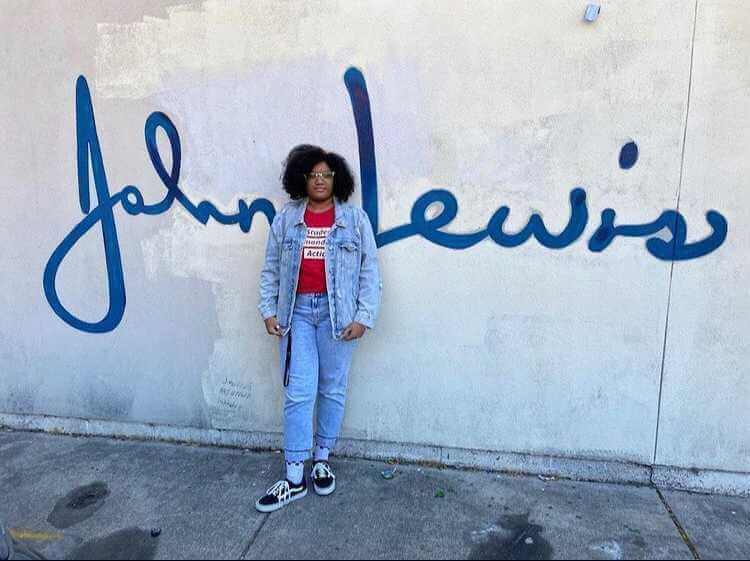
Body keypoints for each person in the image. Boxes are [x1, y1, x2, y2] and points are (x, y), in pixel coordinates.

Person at [255, 144, 382, 513]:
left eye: (327, 174)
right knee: (298, 391)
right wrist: (267, 309)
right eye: (313, 174)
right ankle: (294, 475)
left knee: (332, 387)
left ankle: (322, 460)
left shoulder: (355, 220)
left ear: (337, 179)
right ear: (302, 179)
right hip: (296, 315)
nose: (320, 180)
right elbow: (271, 269)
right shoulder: (286, 218)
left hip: (337, 315)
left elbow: (369, 271)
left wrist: (364, 316)